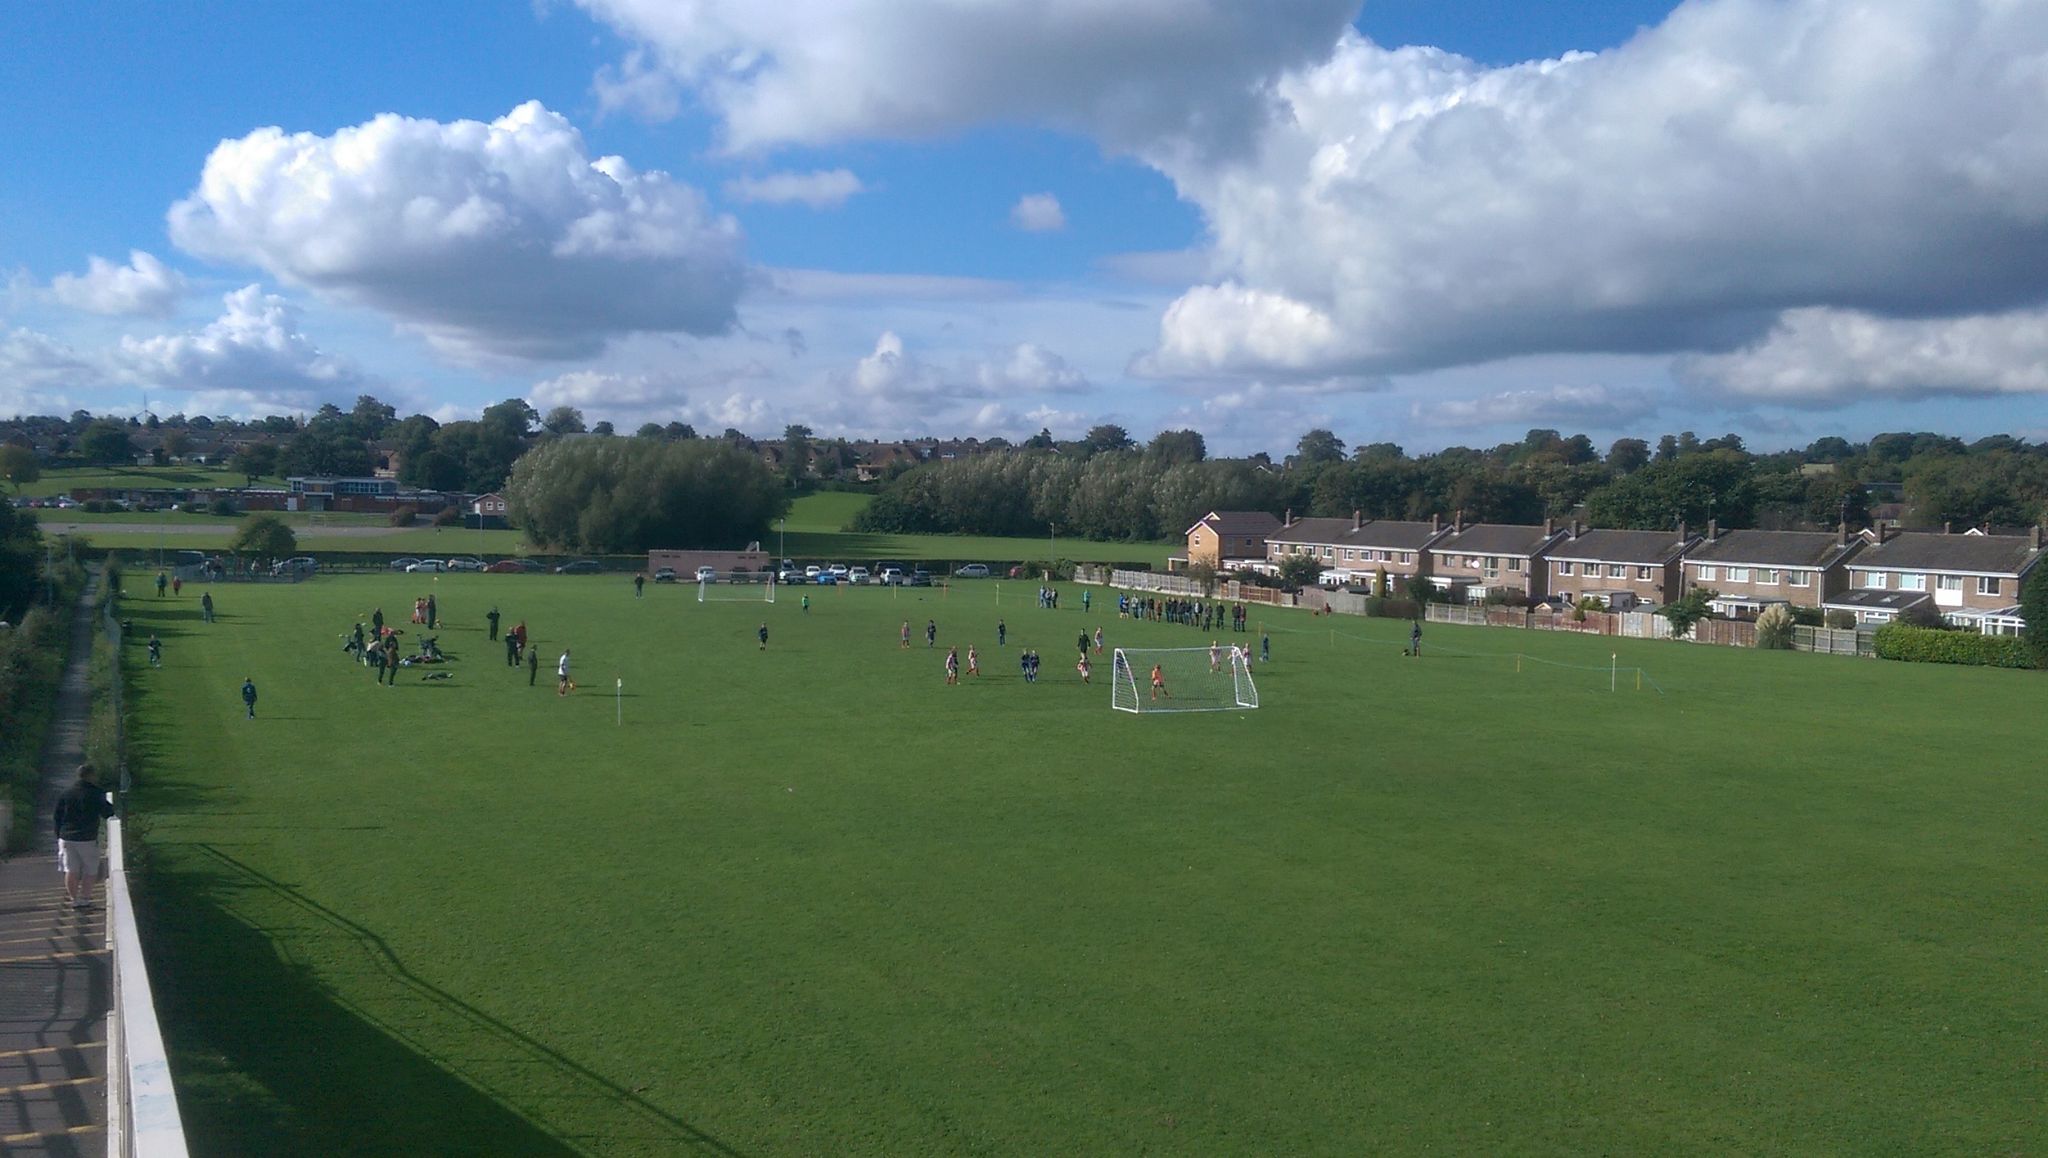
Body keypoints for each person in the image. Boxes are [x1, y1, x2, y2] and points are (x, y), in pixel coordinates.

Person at [55, 764, 114, 910]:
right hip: (87, 837)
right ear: (91, 775)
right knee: (90, 869)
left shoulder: (66, 793)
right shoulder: (95, 793)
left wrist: (59, 834)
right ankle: (85, 899)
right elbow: (107, 812)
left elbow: (57, 816)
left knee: (71, 869)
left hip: (66, 837)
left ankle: (74, 900)